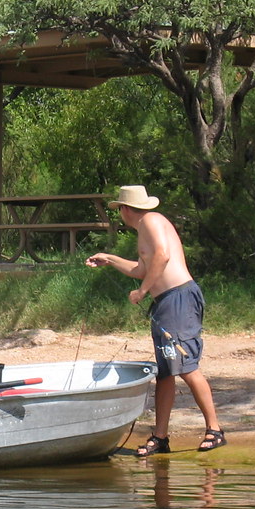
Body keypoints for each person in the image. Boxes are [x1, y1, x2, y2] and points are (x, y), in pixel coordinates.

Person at [86, 185, 224, 455]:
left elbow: (162, 255)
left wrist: (142, 292)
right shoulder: (145, 228)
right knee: (166, 372)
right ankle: (160, 437)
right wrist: (110, 259)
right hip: (166, 303)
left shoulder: (151, 220)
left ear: (125, 209)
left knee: (186, 366)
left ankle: (215, 430)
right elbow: (141, 269)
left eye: (119, 209)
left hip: (179, 299)